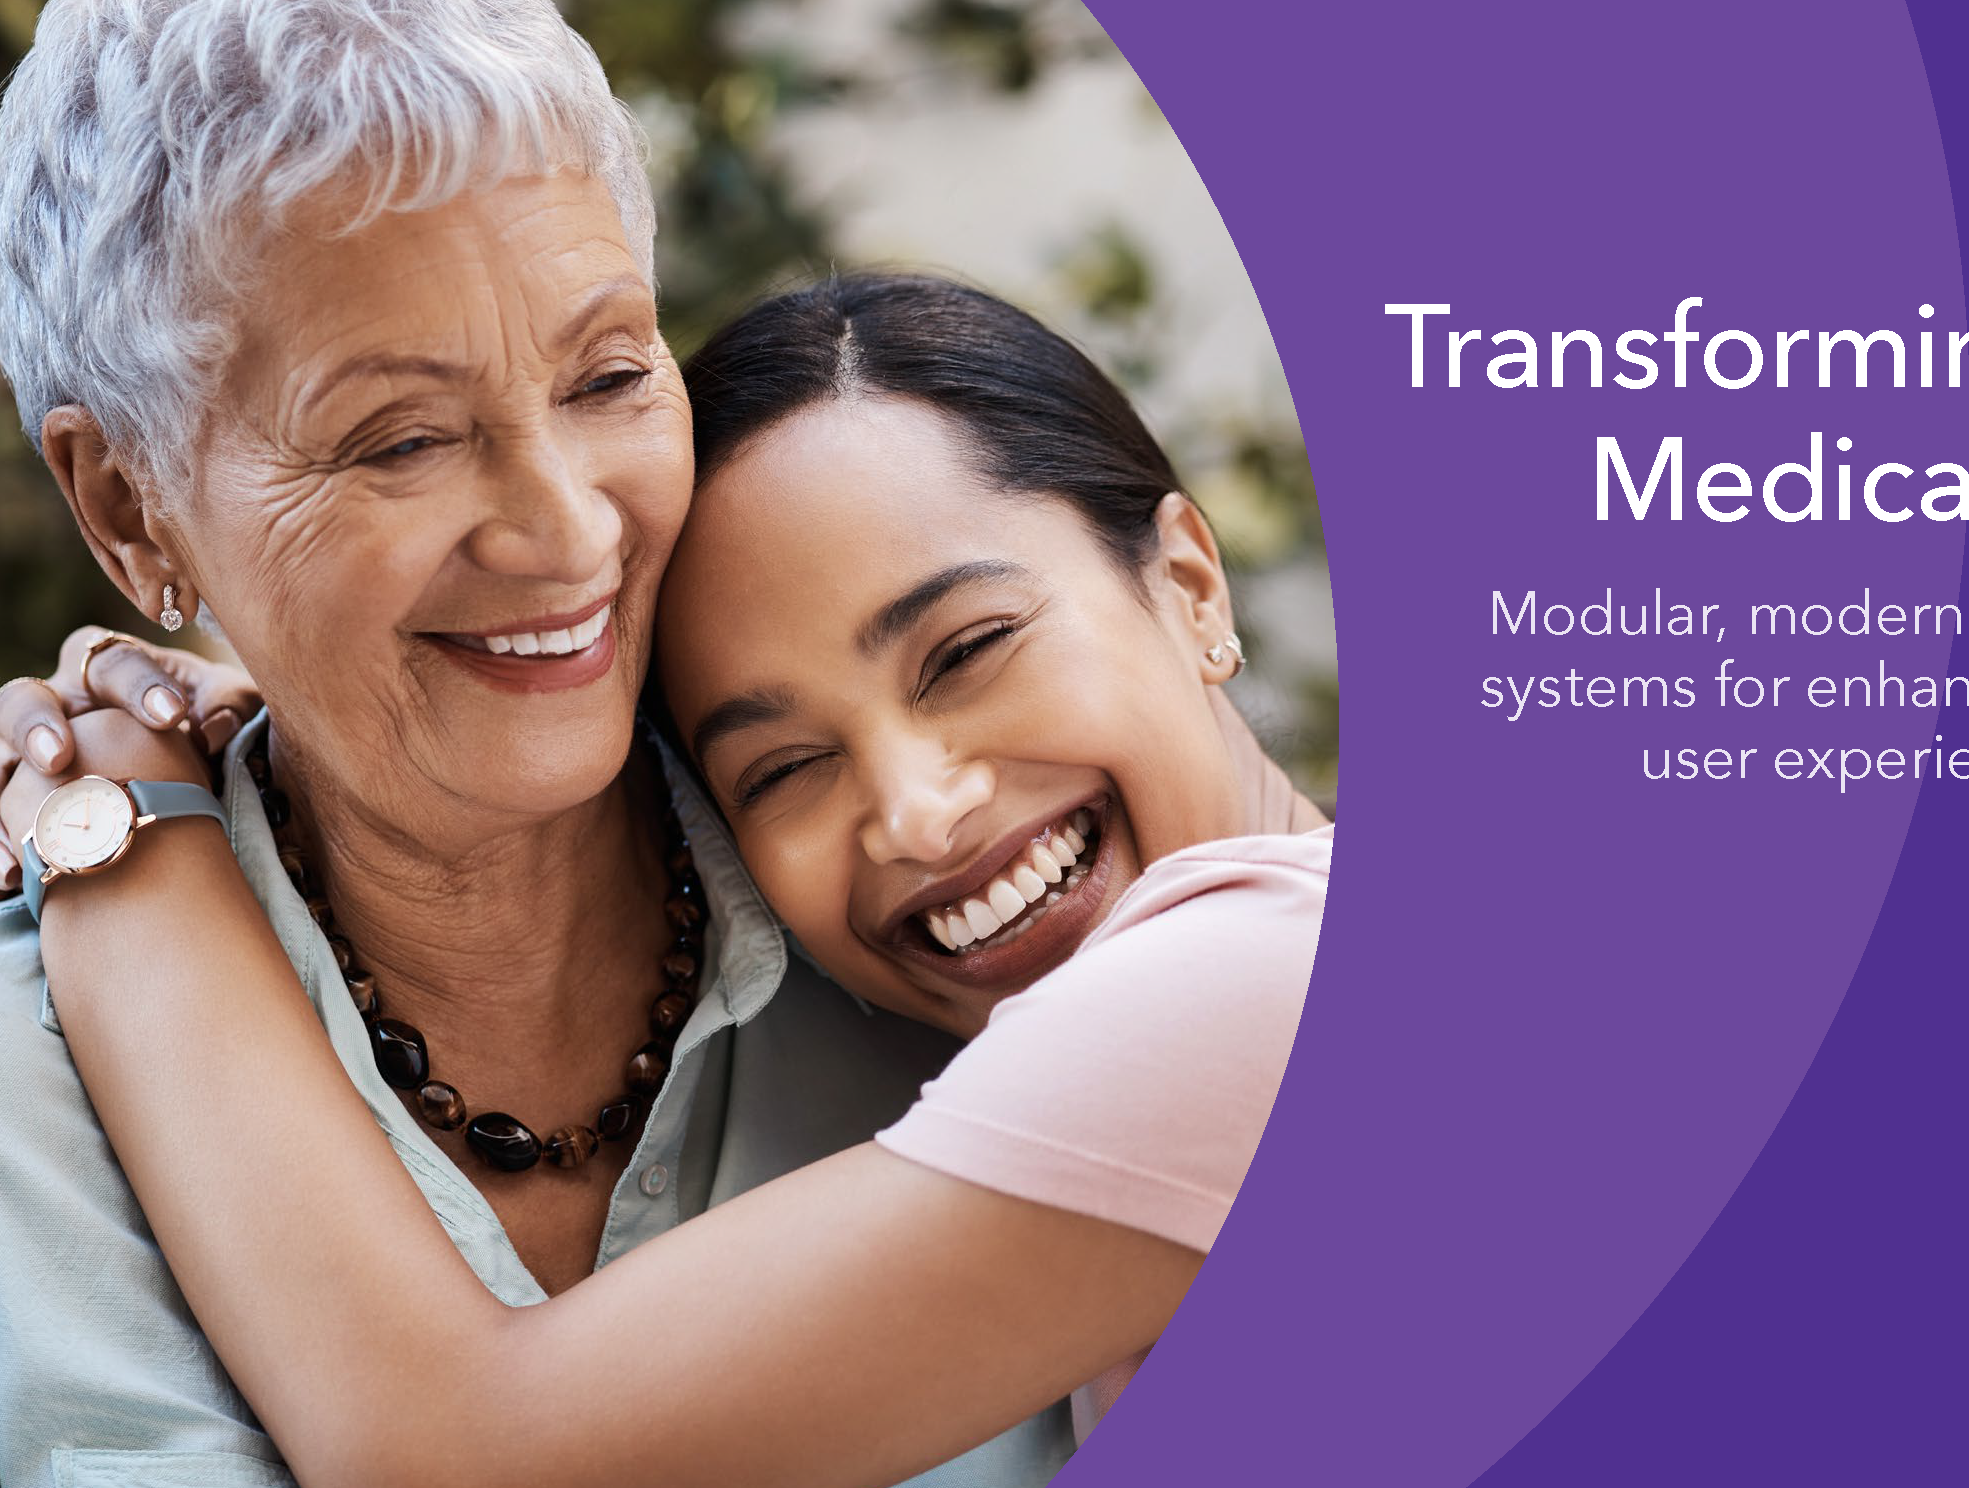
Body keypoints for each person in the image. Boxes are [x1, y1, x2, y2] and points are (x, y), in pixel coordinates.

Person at [1, 273, 1329, 1485]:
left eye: (967, 648)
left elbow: (451, 1454)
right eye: (784, 767)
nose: (919, 817)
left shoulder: (1263, 990)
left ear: (1193, 585)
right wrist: (319, 718)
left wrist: (133, 842)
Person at [0, 3, 1067, 1483]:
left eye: (609, 378)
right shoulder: (26, 1106)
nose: (570, 532)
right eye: (398, 441)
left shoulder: (946, 898)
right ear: (127, 506)